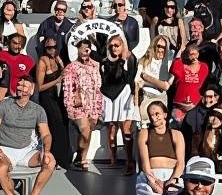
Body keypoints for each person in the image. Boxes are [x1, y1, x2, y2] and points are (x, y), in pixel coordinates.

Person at [0, 75, 56, 195]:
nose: (21, 88)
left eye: (25, 86)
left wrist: (46, 151)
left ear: (31, 90)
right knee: (0, 167)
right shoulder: (3, 105)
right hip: (5, 149)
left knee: (50, 161)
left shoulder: (38, 110)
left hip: (27, 150)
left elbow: (46, 134)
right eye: (19, 85)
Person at [134, 99, 185, 195]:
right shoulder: (144, 133)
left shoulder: (176, 134)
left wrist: (172, 181)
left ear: (165, 115)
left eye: (157, 114)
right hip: (151, 175)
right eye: (151, 115)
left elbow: (181, 162)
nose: (154, 117)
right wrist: (152, 182)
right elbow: (145, 163)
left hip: (173, 175)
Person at [63, 37, 103, 172]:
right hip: (78, 104)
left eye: (87, 48)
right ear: (78, 50)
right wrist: (69, 105)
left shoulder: (95, 65)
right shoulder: (71, 67)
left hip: (92, 103)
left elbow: (98, 87)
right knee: (85, 131)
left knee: (89, 131)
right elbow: (68, 88)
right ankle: (79, 154)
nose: (85, 51)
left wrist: (98, 107)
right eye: (82, 48)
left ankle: (82, 159)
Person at [99, 33, 138, 172]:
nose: (114, 48)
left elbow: (132, 77)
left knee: (125, 128)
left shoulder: (130, 59)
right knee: (111, 131)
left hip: (124, 94)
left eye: (117, 45)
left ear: (122, 46)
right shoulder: (104, 61)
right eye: (112, 46)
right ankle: (113, 159)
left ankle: (129, 161)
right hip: (108, 96)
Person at [34, 36, 72, 170]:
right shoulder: (42, 62)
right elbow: (38, 87)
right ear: (45, 48)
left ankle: (64, 158)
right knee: (55, 126)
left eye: (54, 47)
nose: (52, 50)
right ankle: (54, 158)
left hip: (57, 97)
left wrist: (61, 66)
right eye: (49, 47)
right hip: (47, 97)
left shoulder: (57, 59)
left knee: (63, 124)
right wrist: (58, 80)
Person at [168, 42, 209, 124]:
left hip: (194, 108)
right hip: (179, 107)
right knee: (175, 129)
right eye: (191, 54)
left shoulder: (203, 67)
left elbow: (201, 84)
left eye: (195, 53)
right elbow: (175, 67)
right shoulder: (183, 67)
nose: (194, 56)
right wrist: (181, 52)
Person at [191, 107, 222, 174]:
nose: (212, 121)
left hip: (220, 172)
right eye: (209, 121)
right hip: (204, 169)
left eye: (214, 118)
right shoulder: (204, 134)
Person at [136, 34, 173, 122]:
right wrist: (157, 83)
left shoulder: (169, 63)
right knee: (144, 122)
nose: (161, 49)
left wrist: (146, 78)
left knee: (159, 122)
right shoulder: (144, 60)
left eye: (164, 47)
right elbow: (138, 81)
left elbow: (166, 86)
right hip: (146, 95)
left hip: (161, 97)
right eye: (159, 46)